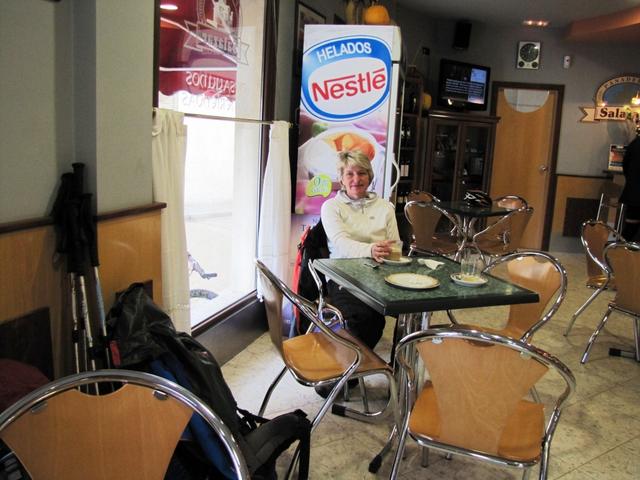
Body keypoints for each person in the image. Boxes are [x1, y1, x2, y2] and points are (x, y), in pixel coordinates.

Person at [320, 150, 400, 352]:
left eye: (362, 173)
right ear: (341, 179)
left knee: (411, 311)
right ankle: (350, 366)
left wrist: (388, 254)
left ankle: (398, 363)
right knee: (364, 318)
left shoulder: (385, 207)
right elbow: (341, 244)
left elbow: (395, 246)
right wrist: (371, 249)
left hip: (380, 275)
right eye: (350, 174)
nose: (356, 179)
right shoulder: (331, 207)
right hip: (343, 276)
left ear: (370, 176)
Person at [620, 132, 640, 241]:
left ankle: (618, 249)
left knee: (630, 229)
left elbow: (625, 165)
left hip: (633, 195)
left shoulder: (635, 143)